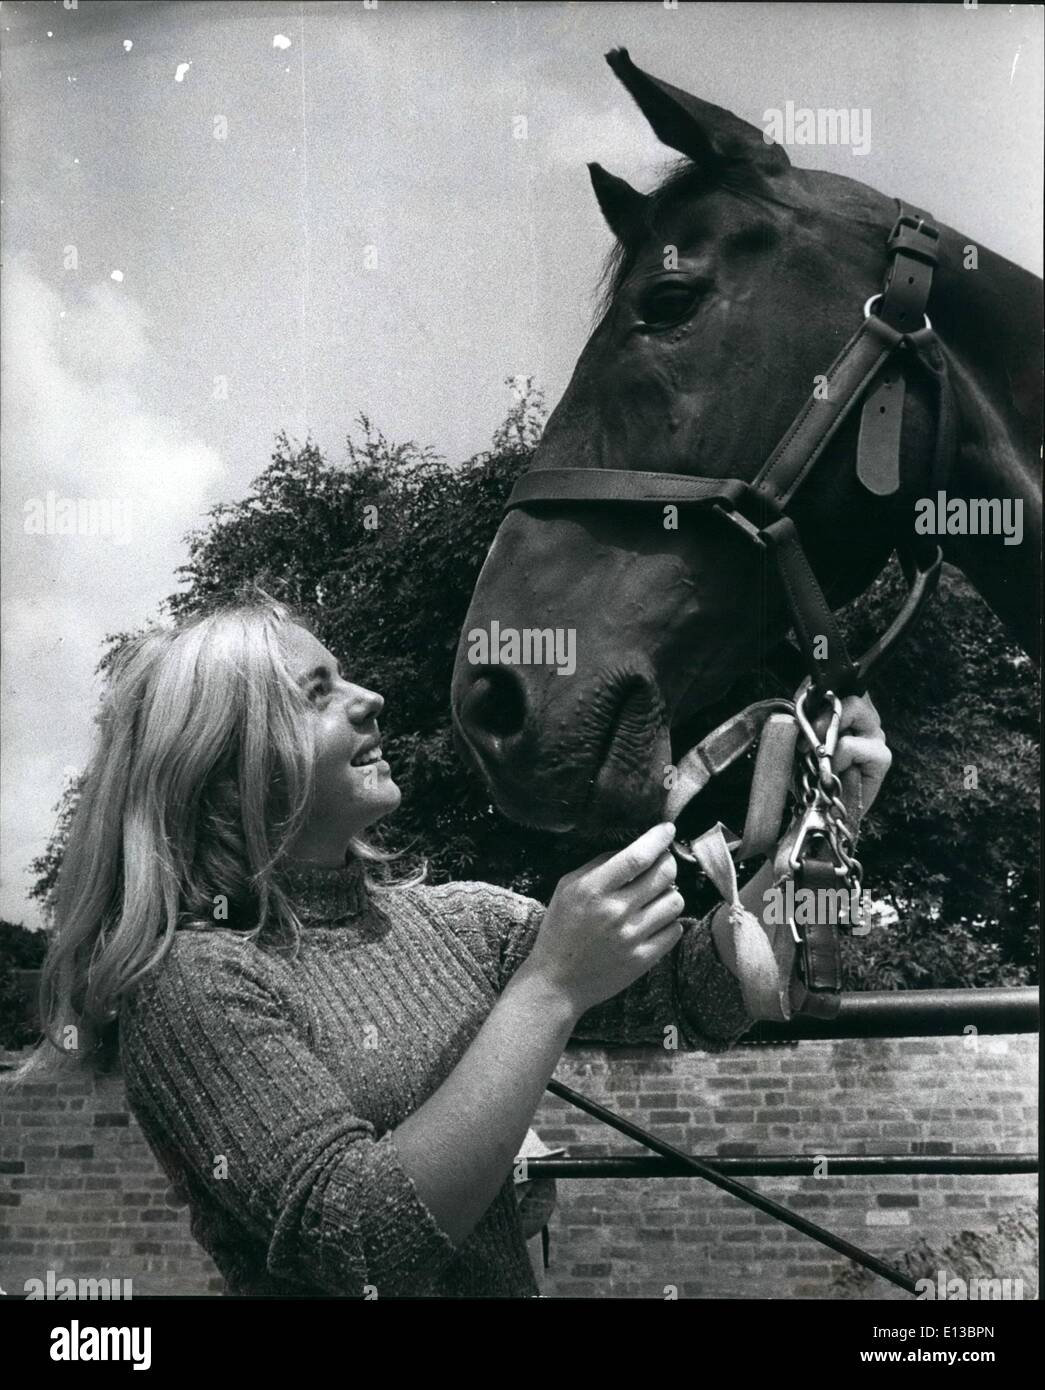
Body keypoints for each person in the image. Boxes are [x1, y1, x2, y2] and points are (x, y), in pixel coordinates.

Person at [11, 595, 891, 1297]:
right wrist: (548, 988)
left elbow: (706, 989)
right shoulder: (193, 984)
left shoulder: (457, 923)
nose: (372, 700)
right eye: (318, 693)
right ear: (224, 757)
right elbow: (359, 1244)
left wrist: (828, 826)